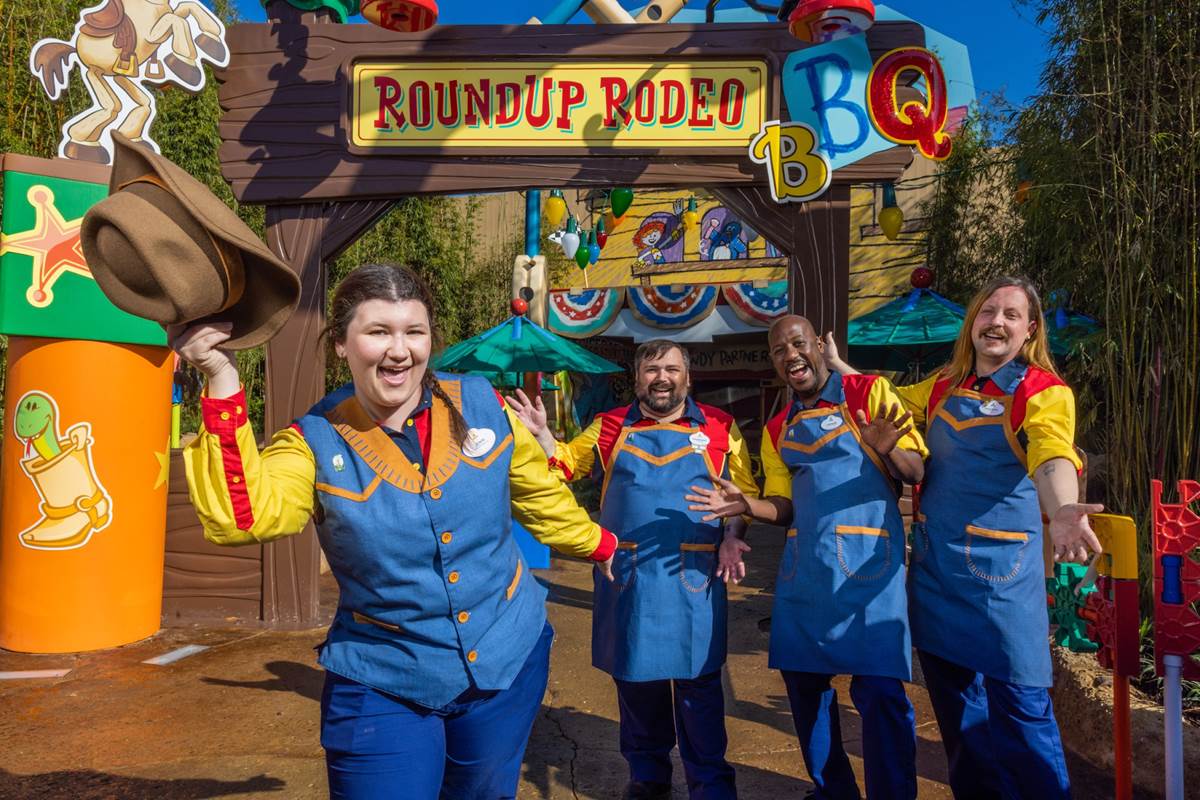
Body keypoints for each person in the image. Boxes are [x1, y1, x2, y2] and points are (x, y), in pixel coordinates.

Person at [173, 263, 617, 800]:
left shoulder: (484, 404)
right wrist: (221, 378)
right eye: (379, 331)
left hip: (509, 653)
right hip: (384, 674)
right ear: (341, 344)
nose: (400, 350)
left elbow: (537, 493)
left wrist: (598, 544)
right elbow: (246, 517)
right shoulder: (313, 440)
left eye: (414, 331)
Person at [824, 276, 1103, 799]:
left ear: (1030, 330)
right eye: (988, 311)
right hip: (937, 574)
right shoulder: (944, 385)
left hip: (1002, 579)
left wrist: (1064, 508)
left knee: (1022, 714)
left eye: (1011, 315)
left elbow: (1051, 453)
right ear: (973, 321)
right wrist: (841, 369)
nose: (996, 322)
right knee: (960, 720)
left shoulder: (1041, 390)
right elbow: (889, 399)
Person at [687, 315, 927, 800]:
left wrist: (889, 450)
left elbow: (916, 471)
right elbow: (784, 507)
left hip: (869, 570)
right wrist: (746, 505)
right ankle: (833, 790)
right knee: (804, 687)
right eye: (779, 351)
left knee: (880, 693)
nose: (790, 355)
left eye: (798, 344)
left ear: (819, 345)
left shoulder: (868, 392)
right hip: (807, 574)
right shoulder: (778, 427)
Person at [508, 339, 757, 800]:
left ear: (688, 378)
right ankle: (648, 778)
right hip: (628, 577)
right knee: (636, 685)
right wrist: (543, 437)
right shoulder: (609, 426)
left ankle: (711, 785)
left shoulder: (721, 427)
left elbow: (742, 496)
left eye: (671, 369)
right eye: (651, 370)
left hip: (695, 578)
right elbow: (567, 464)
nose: (662, 378)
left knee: (699, 690)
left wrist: (731, 535)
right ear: (637, 378)